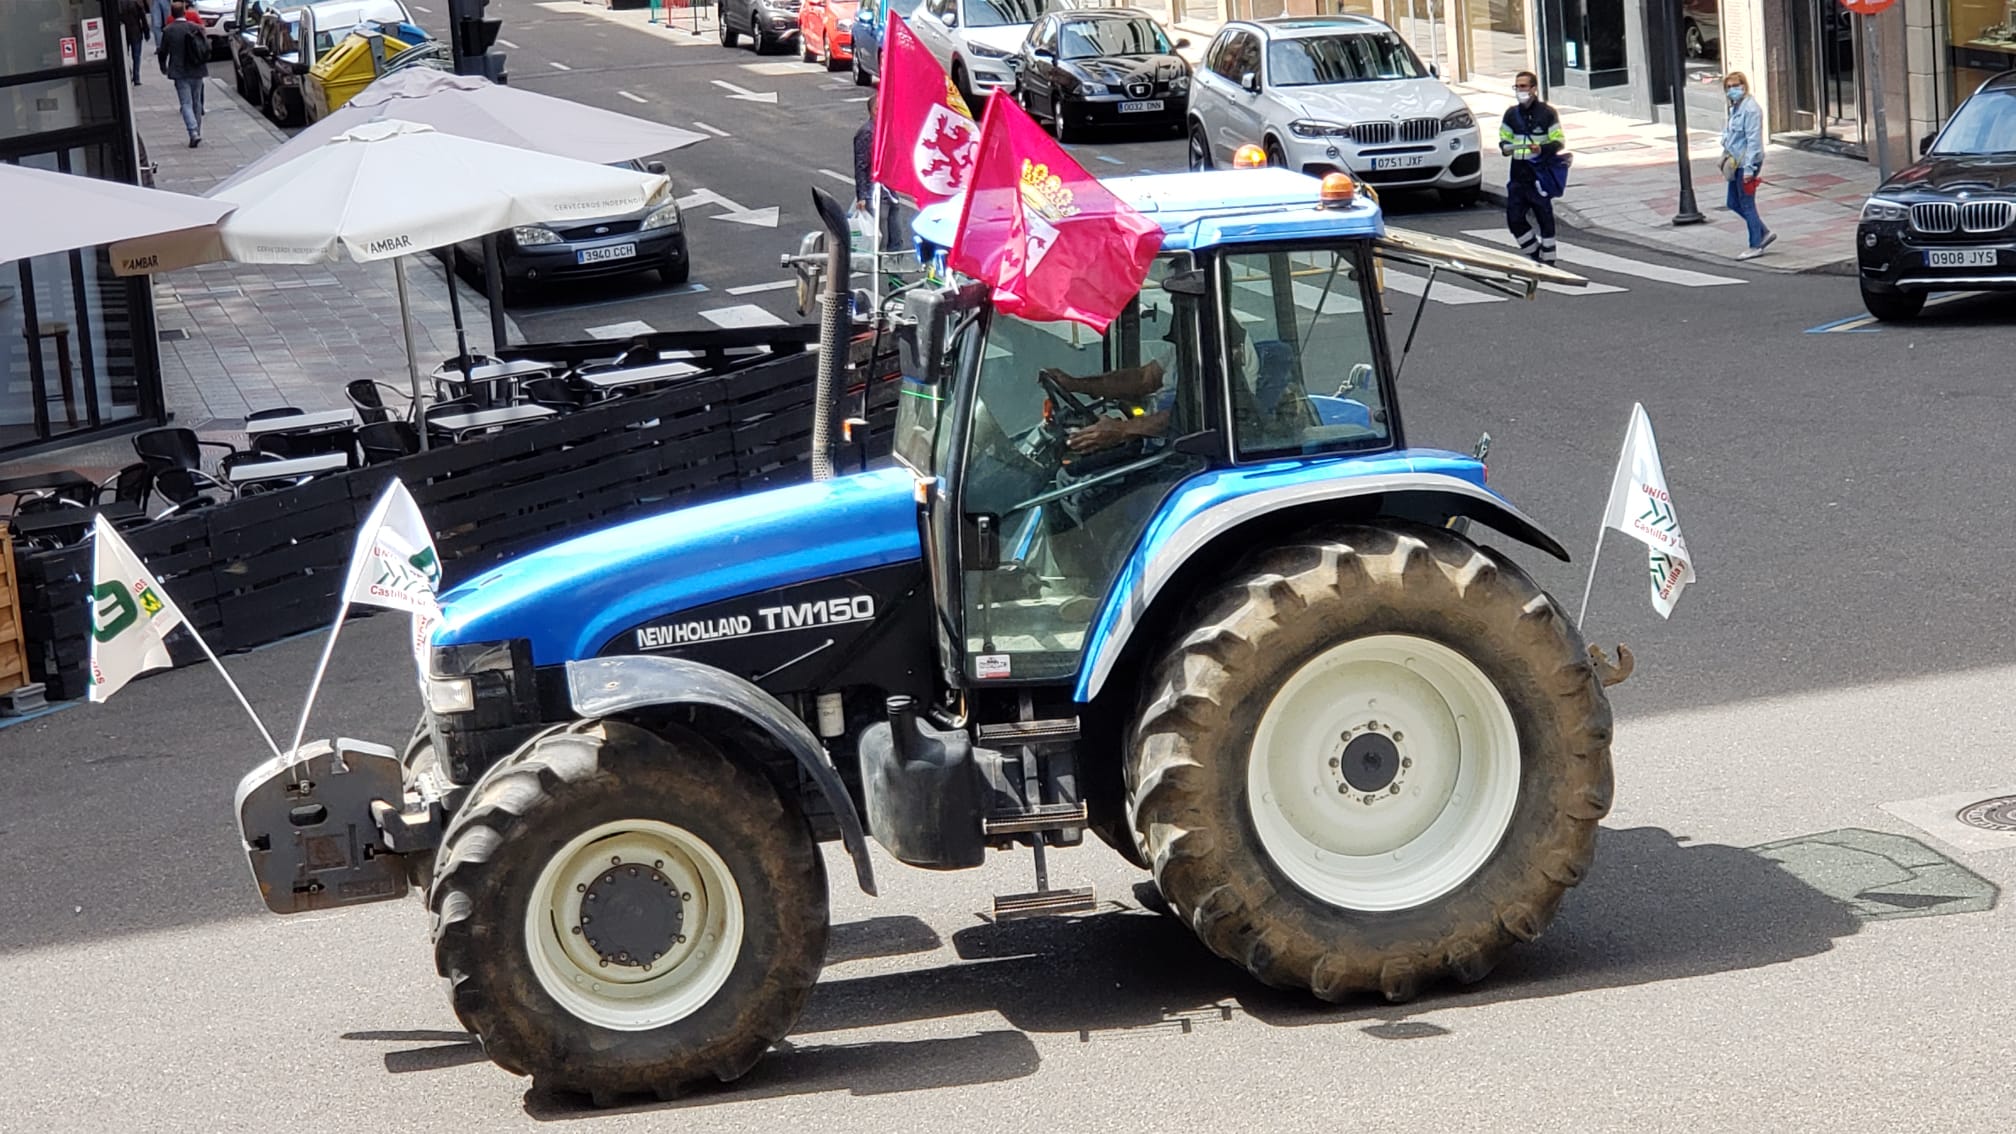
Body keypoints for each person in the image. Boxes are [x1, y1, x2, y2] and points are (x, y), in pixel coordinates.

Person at [1498, 71, 1567, 265]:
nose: (1520, 90)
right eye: (1517, 86)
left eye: (1523, 86)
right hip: (1518, 174)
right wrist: (1505, 147)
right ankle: (1534, 254)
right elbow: (1504, 137)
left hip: (1538, 173)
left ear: (1534, 89)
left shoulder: (1547, 113)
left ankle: (1550, 260)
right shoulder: (1511, 114)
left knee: (1544, 217)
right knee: (1514, 219)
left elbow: (1559, 141)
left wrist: (1542, 148)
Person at [1721, 71, 1775, 260]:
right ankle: (1763, 232)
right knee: (1732, 202)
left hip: (1746, 163)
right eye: (1728, 87)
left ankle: (1755, 245)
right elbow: (1730, 134)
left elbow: (1753, 141)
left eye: (1735, 86)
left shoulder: (1751, 109)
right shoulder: (1735, 107)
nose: (1732, 90)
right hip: (1736, 161)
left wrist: (1750, 170)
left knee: (1747, 204)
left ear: (1744, 86)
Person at [157, 0, 208, 148]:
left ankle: (193, 132)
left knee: (186, 103)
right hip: (197, 69)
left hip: (179, 71)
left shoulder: (168, 31)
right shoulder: (195, 28)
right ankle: (197, 130)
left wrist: (163, 66)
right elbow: (204, 46)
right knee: (196, 102)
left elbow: (163, 51)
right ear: (184, 12)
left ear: (172, 14)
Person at [118, 0, 150, 85]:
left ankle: (128, 73)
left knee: (125, 55)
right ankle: (136, 77)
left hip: (124, 32)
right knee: (136, 56)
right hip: (136, 32)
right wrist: (147, 33)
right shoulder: (136, 3)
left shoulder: (118, 4)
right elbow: (143, 19)